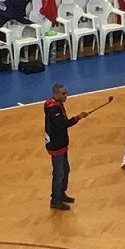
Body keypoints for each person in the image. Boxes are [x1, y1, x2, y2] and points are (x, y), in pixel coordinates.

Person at [44, 82, 85, 210]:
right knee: (59, 173)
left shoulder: (57, 105)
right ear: (56, 94)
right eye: (63, 94)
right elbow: (62, 124)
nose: (66, 96)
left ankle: (61, 193)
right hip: (56, 145)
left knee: (65, 169)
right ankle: (55, 200)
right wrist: (78, 117)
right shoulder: (54, 109)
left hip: (61, 143)